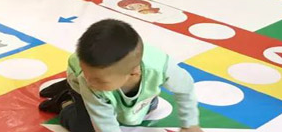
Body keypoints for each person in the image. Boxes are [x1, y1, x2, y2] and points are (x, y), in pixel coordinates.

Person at [37, 19, 202, 132]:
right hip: (79, 80)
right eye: (87, 74)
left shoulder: (161, 68)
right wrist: (88, 80)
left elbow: (185, 89)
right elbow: (104, 123)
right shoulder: (88, 82)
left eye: (98, 79)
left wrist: (190, 124)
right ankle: (66, 102)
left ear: (134, 72)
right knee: (85, 128)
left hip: (113, 80)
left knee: (142, 111)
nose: (89, 82)